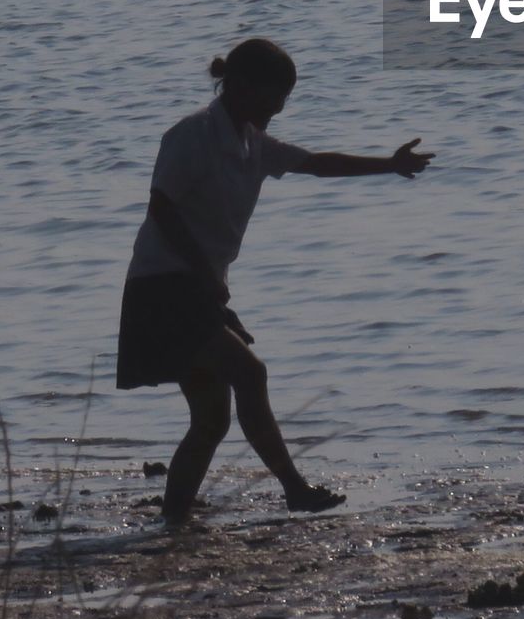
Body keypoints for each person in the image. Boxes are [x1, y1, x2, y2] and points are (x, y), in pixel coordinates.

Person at [117, 37, 433, 525]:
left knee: (211, 418)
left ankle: (173, 521)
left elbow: (315, 163)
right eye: (271, 97)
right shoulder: (193, 135)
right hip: (164, 286)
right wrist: (203, 271)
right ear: (239, 86)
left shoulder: (252, 144)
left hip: (198, 288)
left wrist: (389, 166)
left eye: (284, 99)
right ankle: (294, 489)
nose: (277, 109)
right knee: (249, 372)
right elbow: (161, 207)